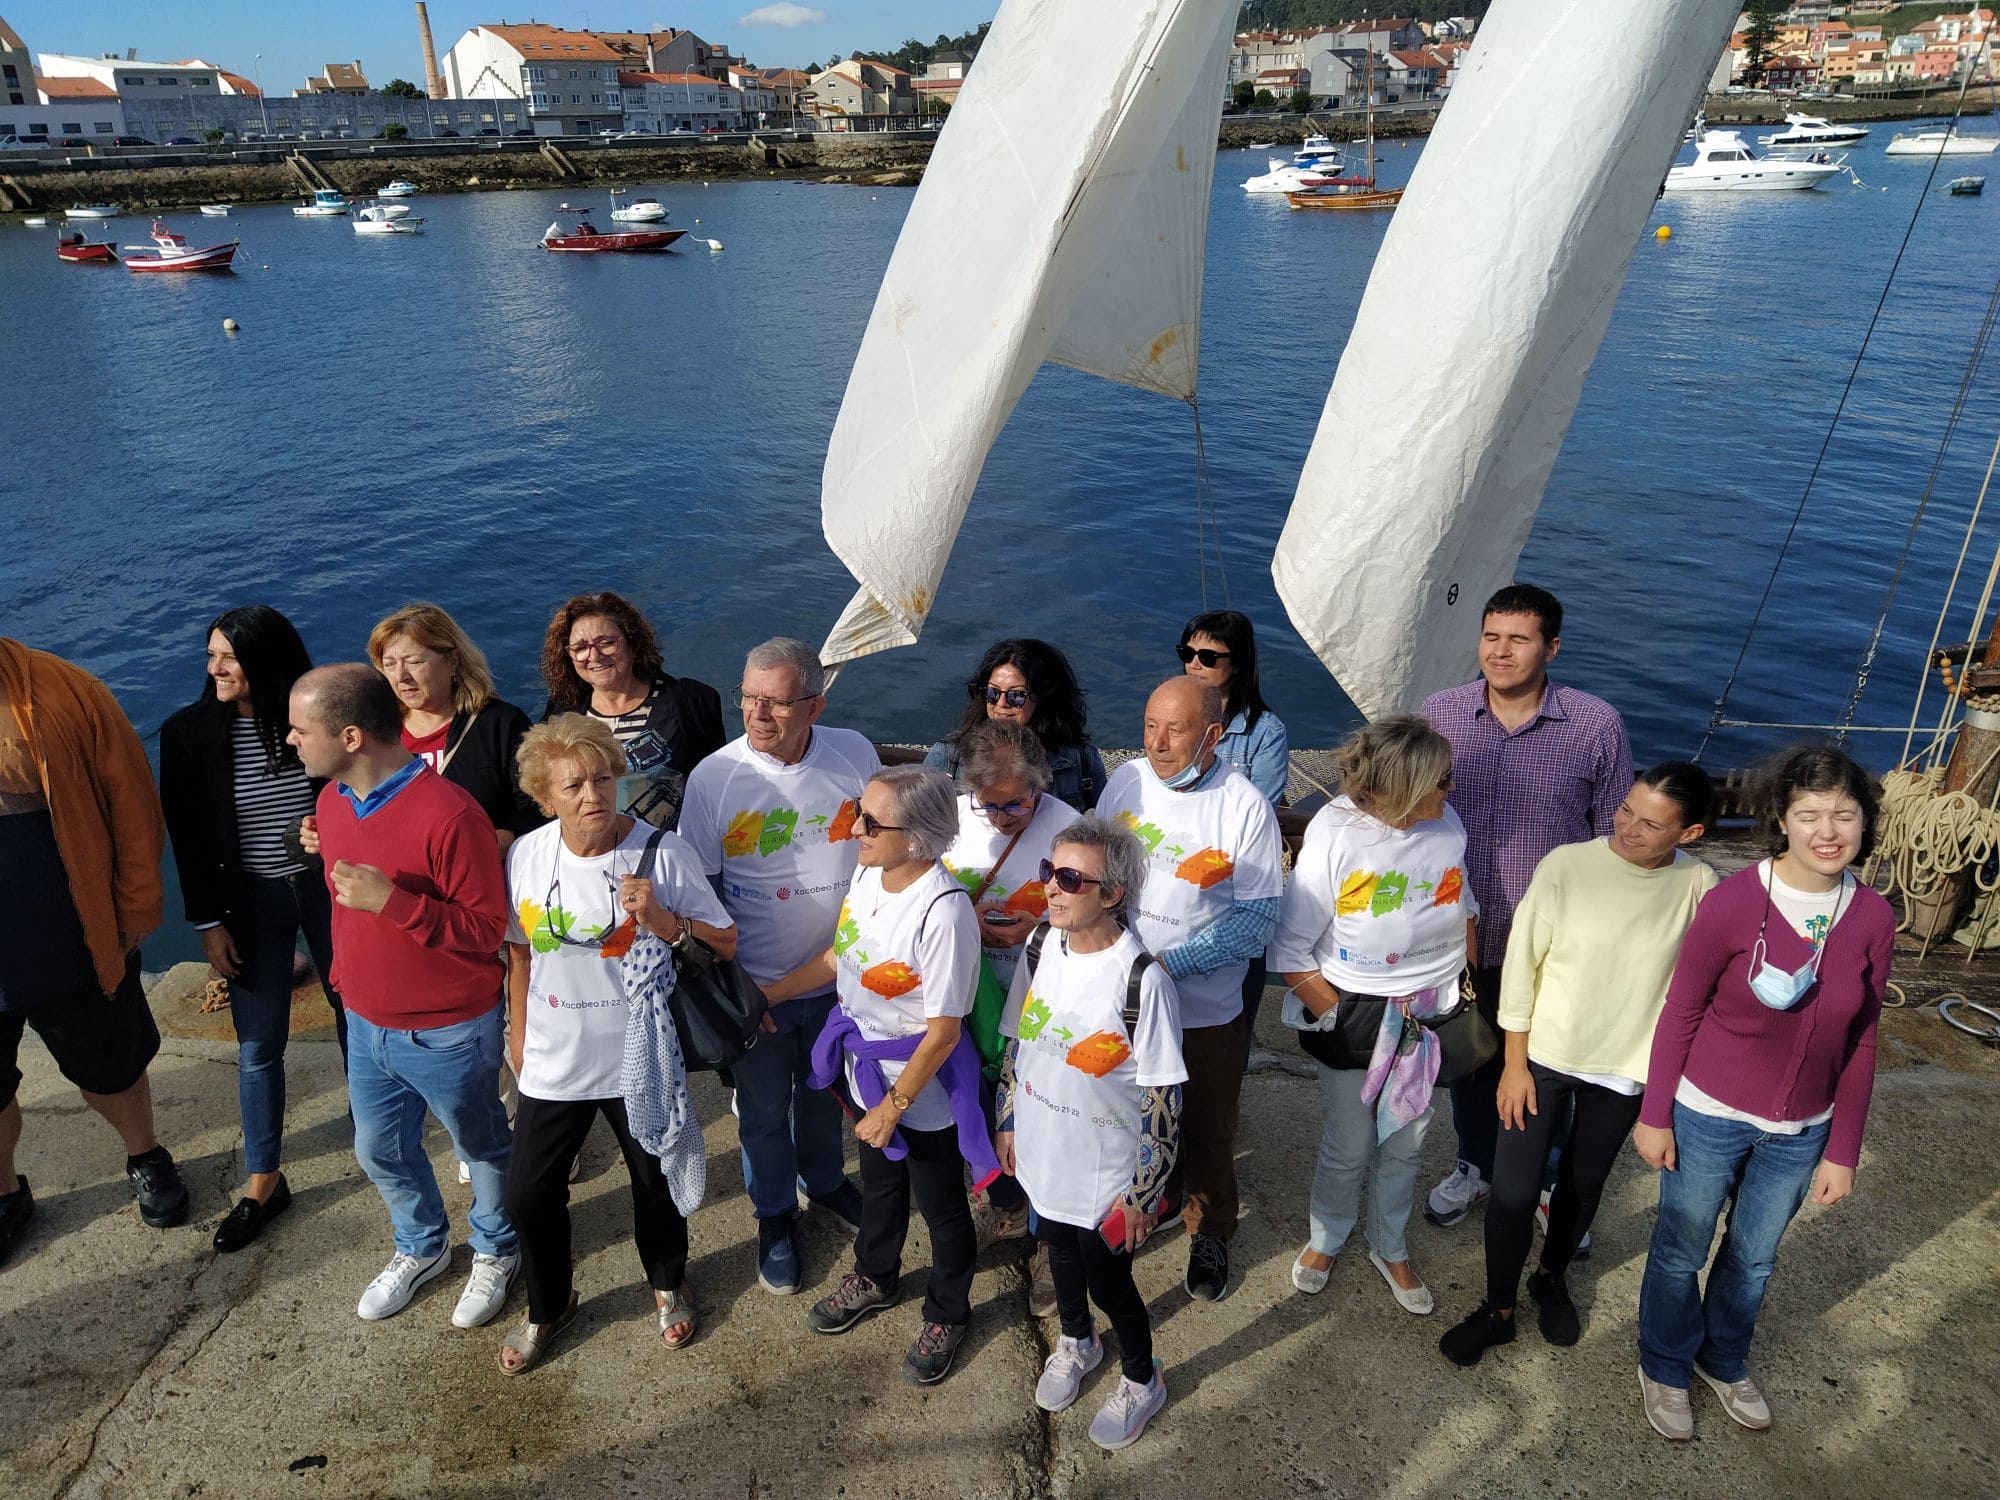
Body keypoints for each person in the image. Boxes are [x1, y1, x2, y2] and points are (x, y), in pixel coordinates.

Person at [1633, 745, 1892, 1441]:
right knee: (1682, 1248)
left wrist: (1842, 1149)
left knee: (1753, 1256)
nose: (1828, 831)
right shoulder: (1731, 902)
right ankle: (1663, 1364)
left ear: (1866, 823)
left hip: (1802, 1129)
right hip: (1708, 1115)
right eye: (1809, 815)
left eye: (1845, 815)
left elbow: (1863, 1038)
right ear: (1781, 818)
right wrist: (1655, 1114)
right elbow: (1680, 1010)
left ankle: (1723, 1357)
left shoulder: (1872, 917)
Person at [1439, 763, 1717, 1367]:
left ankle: (1550, 1277)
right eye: (1625, 810)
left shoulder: (1700, 887)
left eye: (1651, 823)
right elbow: (1521, 965)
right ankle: (1498, 1309)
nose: (1628, 829)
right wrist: (1514, 1064)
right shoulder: (1567, 864)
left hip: (1625, 1068)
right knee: (1512, 1193)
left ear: (1688, 835)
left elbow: (1701, 985)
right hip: (1543, 1058)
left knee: (1583, 1186)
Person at [496, 715, 736, 1372]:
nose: (593, 795)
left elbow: (724, 942)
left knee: (653, 1178)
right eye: (572, 786)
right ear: (546, 798)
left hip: (642, 1056)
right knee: (526, 1194)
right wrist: (517, 1037)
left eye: (603, 778)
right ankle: (550, 1305)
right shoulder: (529, 853)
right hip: (553, 1057)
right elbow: (520, 953)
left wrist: (660, 918)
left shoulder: (663, 853)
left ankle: (667, 1281)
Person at [288, 664, 518, 1328]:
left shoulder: (450, 814)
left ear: (352, 735)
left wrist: (396, 903)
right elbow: (343, 914)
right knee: (379, 1148)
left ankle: (498, 1248)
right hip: (365, 1021)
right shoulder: (332, 802)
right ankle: (423, 1246)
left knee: (480, 1148)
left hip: (447, 1028)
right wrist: (345, 984)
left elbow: (484, 933)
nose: (291, 741)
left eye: (302, 730)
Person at [1420, 584, 1632, 1231]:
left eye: (1519, 639)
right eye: (1491, 636)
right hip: (1459, 936)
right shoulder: (1440, 714)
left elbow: (1618, 839)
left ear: (1552, 647)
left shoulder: (1596, 725)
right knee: (1467, 1061)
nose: (1500, 651)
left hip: (1556, 942)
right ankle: (1475, 1165)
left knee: (1548, 1072)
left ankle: (1544, 1181)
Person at [776, 765, 994, 1386]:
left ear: (919, 838)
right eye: (857, 812)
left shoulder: (944, 912)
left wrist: (893, 1106)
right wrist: (772, 994)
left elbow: (944, 1030)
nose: (855, 829)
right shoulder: (868, 878)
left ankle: (949, 1311)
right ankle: (876, 1273)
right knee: (878, 1182)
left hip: (915, 1087)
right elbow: (836, 957)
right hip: (866, 1069)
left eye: (871, 821)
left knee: (941, 1204)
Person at [678, 638, 876, 1296]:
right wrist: (734, 996)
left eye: (776, 701)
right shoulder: (716, 779)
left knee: (823, 1095)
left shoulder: (854, 755)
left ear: (815, 704)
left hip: (837, 982)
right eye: (748, 697)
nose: (757, 714)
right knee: (762, 1113)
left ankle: (823, 1183)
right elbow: (699, 898)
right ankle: (774, 1217)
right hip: (755, 986)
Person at [1269, 716, 1474, 1318]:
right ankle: (1327, 1238)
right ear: (1403, 789)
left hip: (1429, 1015)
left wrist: (1467, 991)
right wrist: (1337, 1014)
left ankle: (1390, 1244)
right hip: (1357, 1014)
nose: (1451, 790)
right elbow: (1289, 946)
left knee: (1407, 1143)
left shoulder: (1447, 824)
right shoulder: (1336, 833)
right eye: (1440, 781)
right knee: (1349, 1145)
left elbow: (1464, 905)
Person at [996, 814, 1184, 1450]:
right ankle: (1076, 1340)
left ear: (1113, 894)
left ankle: (1140, 1377)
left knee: (1111, 1280)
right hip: (1045, 1154)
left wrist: (1141, 1193)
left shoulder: (1141, 981)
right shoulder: (1040, 946)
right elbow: (1016, 1041)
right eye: (1050, 871)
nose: (1050, 888)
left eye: (1070, 878)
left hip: (1105, 1171)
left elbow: (1163, 1095)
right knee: (1056, 1251)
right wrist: (1007, 1117)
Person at [160, 606, 342, 1253]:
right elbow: (185, 838)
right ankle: (264, 1178)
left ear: (264, 662)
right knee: (259, 1043)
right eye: (210, 657)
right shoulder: (187, 735)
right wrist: (208, 925)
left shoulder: (311, 722)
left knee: (356, 1012)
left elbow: (358, 784)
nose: (214, 670)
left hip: (328, 890)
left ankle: (380, 1131)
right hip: (251, 905)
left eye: (228, 659)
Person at [0, 639, 187, 1262]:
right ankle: (5, 1194)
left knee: (110, 1061)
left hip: (64, 927)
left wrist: (135, 907)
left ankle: (145, 1155)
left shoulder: (61, 689)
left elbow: (132, 804)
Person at [1097, 677, 1282, 1302]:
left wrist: (1164, 968)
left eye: (1176, 730)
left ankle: (1212, 1229)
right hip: (1122, 998)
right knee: (1129, 1114)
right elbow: (1096, 871)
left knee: (1207, 1127)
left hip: (1203, 1010)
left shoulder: (1244, 806)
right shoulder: (1124, 781)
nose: (1158, 743)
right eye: (1150, 726)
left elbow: (1256, 920)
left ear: (1214, 734)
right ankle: (1151, 1200)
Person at [939, 720, 1079, 1283]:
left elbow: (1103, 921)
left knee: (1043, 1118)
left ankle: (1053, 1238)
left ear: (1041, 783)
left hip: (1042, 1002)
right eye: (988, 805)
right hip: (971, 998)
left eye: (1016, 803)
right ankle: (1004, 1206)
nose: (1001, 817)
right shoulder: (950, 820)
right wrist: (962, 919)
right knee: (972, 1109)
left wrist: (1037, 929)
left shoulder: (1072, 831)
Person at [1179, 609, 1289, 1067]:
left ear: (1238, 663)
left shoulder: (1265, 733)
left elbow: (1257, 814)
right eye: (1188, 653)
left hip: (1231, 889)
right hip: (1180, 881)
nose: (1195, 664)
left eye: (1209, 656)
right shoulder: (1176, 716)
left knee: (1232, 1021)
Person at [538, 591, 725, 831]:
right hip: (593, 855)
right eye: (580, 647)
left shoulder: (688, 701)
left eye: (606, 643)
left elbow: (717, 785)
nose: (594, 655)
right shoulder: (563, 713)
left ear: (633, 644)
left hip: (670, 856)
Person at [368, 602, 544, 848]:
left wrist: (481, 847)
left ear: (452, 660)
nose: (401, 676)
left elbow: (539, 808)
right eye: (390, 664)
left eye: (414, 662)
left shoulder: (500, 724)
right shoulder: (376, 732)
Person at [923, 639, 1109, 811]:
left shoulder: (1081, 759)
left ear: (1044, 697)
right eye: (992, 693)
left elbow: (1103, 824)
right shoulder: (948, 757)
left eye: (1017, 696)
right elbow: (920, 824)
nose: (1002, 703)